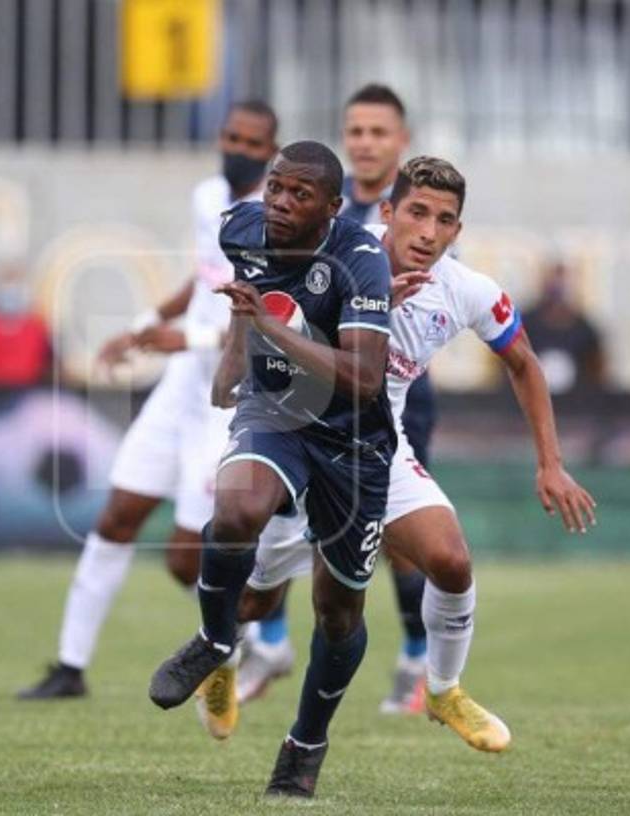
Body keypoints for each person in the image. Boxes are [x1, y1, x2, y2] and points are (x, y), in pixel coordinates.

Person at [214, 156, 597, 755]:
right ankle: (219, 652)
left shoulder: (468, 291)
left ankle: (442, 690)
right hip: (299, 435)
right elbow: (264, 307)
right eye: (416, 212)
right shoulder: (339, 253)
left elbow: (523, 362)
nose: (428, 231)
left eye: (444, 220)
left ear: (457, 232)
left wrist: (550, 462)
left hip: (373, 450)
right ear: (388, 213)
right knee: (257, 598)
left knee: (450, 561)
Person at [148, 141, 396, 799]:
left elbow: (367, 380)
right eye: (276, 188)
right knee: (233, 510)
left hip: (353, 442)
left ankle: (305, 743)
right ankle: (214, 638)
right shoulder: (240, 229)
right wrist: (235, 359)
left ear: (333, 207)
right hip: (276, 412)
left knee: (338, 613)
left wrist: (268, 329)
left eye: (298, 194)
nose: (280, 204)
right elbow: (246, 300)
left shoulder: (361, 261)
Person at [16, 101, 280, 704]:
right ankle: (70, 666)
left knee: (187, 561)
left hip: (232, 396)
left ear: (271, 150)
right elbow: (205, 279)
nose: (237, 147)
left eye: (252, 141)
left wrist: (182, 337)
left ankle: (255, 642)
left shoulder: (278, 217)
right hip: (181, 387)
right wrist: (145, 323)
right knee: (116, 519)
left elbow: (269, 319)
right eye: (231, 135)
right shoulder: (206, 195)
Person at [239, 83, 439, 715]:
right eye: (356, 131)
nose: (365, 142)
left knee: (394, 537)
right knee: (278, 516)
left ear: (402, 142)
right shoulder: (315, 202)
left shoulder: (422, 210)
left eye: (379, 132)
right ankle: (269, 641)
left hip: (387, 396)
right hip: (303, 391)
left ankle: (415, 659)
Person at [522, 260, 607, 393]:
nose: (558, 286)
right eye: (553, 278)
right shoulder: (525, 324)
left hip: (576, 406)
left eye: (562, 279)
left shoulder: (585, 329)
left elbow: (597, 370)